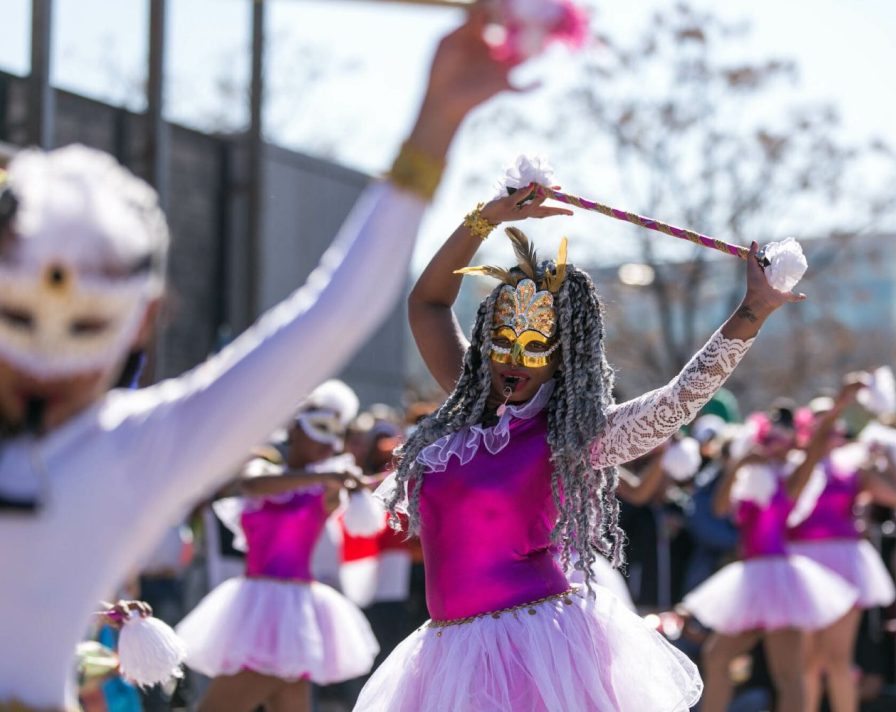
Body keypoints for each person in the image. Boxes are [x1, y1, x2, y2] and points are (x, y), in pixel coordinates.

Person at [0, 12, 519, 710]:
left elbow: (330, 319)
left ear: (142, 318)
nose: (47, 357)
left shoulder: (128, 446)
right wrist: (435, 122)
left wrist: (438, 120)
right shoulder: (134, 447)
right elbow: (328, 318)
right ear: (147, 317)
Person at [354, 180, 803, 711]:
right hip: (449, 653)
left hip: (538, 648)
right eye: (501, 340)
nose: (513, 358)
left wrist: (752, 311)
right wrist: (487, 218)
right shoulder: (467, 406)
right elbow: (427, 304)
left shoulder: (567, 435)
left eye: (534, 346)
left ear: (563, 357)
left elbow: (674, 404)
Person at [176, 381, 380, 711]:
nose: (327, 442)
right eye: (319, 428)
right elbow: (251, 485)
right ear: (295, 429)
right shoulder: (268, 471)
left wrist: (342, 482)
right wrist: (325, 477)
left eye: (335, 432)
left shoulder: (327, 488)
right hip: (254, 605)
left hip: (292, 610)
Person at [682, 386, 862, 712]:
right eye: (769, 438)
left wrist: (839, 406)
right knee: (717, 656)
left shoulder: (790, 479)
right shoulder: (747, 478)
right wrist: (737, 465)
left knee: (788, 673)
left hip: (779, 579)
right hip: (749, 579)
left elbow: (818, 445)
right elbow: (720, 509)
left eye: (780, 438)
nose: (773, 444)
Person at [787, 397, 896, 712]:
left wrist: (888, 460)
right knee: (805, 662)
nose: (830, 432)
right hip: (801, 566)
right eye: (820, 423)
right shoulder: (791, 467)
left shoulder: (853, 469)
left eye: (834, 426)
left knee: (838, 659)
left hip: (843, 566)